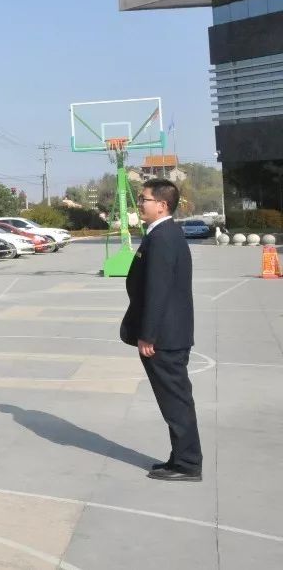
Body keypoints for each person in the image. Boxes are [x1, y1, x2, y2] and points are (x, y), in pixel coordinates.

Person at [122, 179, 201, 482]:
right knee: (175, 400)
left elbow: (158, 291)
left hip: (164, 337)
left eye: (143, 199)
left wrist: (148, 334)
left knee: (175, 401)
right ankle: (180, 457)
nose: (139, 204)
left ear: (162, 205)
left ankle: (187, 464)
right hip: (168, 333)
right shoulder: (162, 234)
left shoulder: (163, 237)